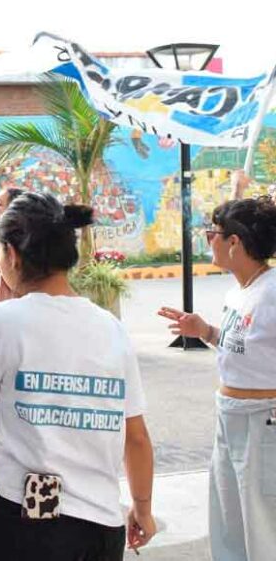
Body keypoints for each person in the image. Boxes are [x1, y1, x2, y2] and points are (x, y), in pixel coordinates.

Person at [0, 192, 156, 560]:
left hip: (23, 520)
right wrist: (142, 508)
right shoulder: (111, 328)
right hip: (101, 525)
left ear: (12, 255)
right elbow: (137, 437)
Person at [157, 186, 276, 561]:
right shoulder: (238, 292)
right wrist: (205, 331)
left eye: (213, 234)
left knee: (263, 522)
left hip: (263, 422)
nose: (208, 241)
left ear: (235, 242)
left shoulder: (272, 293)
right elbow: (242, 349)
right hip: (230, 416)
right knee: (229, 516)